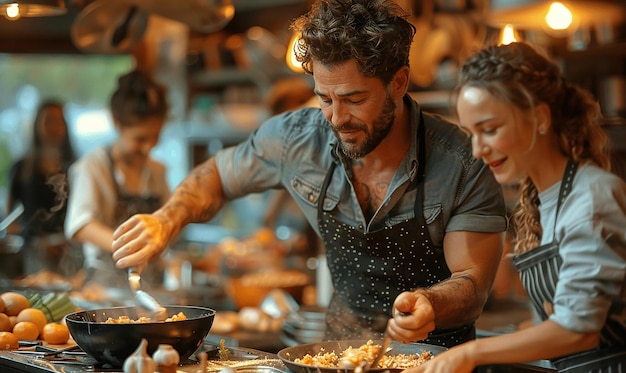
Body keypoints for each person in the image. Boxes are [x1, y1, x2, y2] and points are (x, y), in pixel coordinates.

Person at [112, 0, 507, 347]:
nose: (337, 118)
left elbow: (473, 285)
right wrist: (167, 219)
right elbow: (217, 174)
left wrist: (432, 303)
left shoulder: (461, 163)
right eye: (325, 98)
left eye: (354, 99)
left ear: (398, 83)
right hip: (340, 354)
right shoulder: (297, 140)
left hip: (437, 360)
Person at [406, 42, 626, 372]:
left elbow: (578, 331)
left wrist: (471, 354)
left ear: (539, 117)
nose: (478, 150)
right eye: (471, 134)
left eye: (490, 130)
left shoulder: (592, 197)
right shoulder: (541, 200)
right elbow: (552, 325)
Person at [65, 68, 170, 289]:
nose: (149, 147)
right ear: (117, 123)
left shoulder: (157, 171)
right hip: (104, 286)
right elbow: (81, 225)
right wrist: (132, 249)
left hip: (153, 283)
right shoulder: (93, 167)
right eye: (140, 138)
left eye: (155, 136)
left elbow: (168, 217)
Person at [6, 99, 80, 277]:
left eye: (59, 121)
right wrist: (39, 243)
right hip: (32, 253)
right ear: (37, 125)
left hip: (70, 253)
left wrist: (64, 241)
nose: (54, 127)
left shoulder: (76, 167)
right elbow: (11, 221)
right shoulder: (21, 168)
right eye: (48, 120)